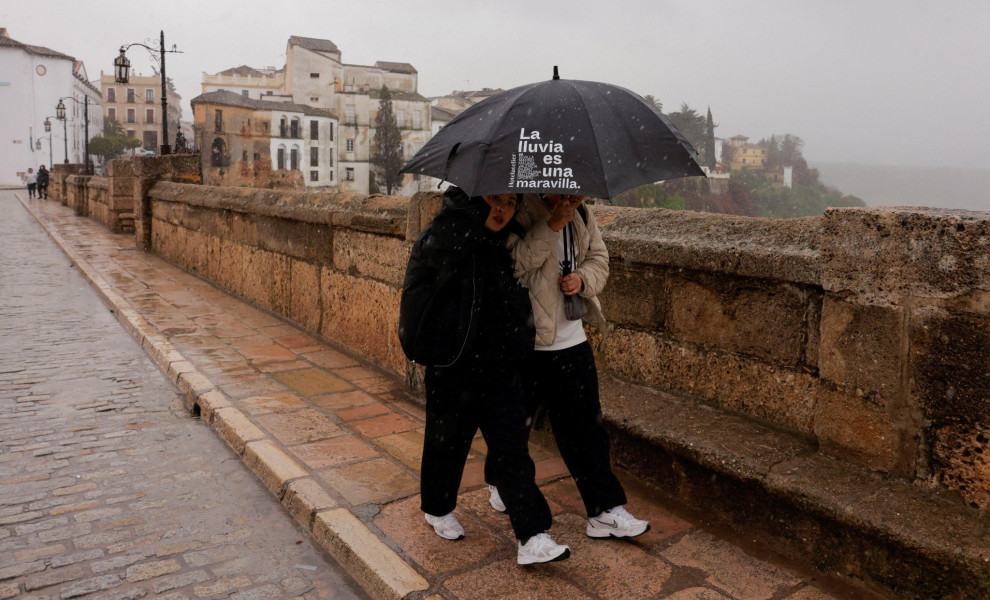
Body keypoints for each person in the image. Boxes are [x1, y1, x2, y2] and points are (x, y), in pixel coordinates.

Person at [399, 186, 570, 565]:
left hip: (498, 364)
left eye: (510, 203)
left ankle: (533, 535)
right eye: (495, 199)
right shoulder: (445, 233)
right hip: (454, 362)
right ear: (475, 198)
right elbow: (432, 275)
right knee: (448, 441)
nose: (503, 209)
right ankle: (437, 507)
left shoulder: (500, 243)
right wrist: (471, 230)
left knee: (512, 449)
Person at [488, 193, 651, 539]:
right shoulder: (519, 208)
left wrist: (582, 279)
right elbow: (514, 263)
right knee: (514, 427)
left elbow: (599, 259)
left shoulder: (582, 213)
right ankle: (499, 481)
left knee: (587, 430)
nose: (582, 193)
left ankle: (603, 510)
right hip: (527, 342)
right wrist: (551, 225)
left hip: (572, 340)